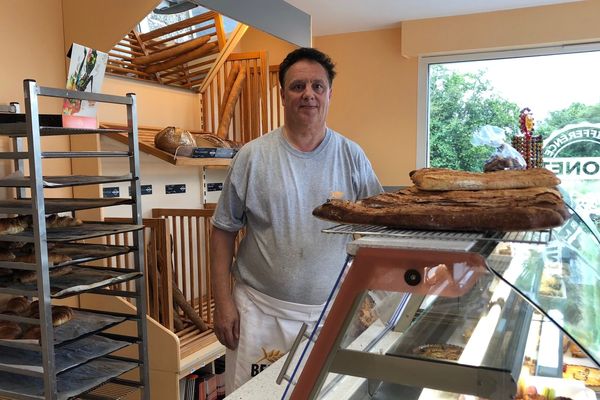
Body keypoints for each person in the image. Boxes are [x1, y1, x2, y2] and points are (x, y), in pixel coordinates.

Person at [210, 47, 383, 394]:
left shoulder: (352, 156)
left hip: (330, 313)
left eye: (317, 86)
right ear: (282, 94)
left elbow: (378, 226)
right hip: (259, 314)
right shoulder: (253, 157)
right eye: (298, 86)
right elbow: (223, 230)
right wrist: (223, 303)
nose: (308, 94)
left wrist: (373, 299)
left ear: (330, 94)